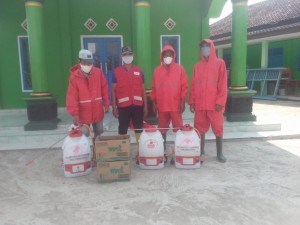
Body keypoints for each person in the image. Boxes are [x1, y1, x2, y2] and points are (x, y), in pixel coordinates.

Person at [188, 39, 227, 163]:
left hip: (214, 105)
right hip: (200, 104)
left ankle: (219, 153)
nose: (204, 49)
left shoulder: (220, 63)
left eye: (207, 46)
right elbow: (194, 85)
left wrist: (220, 102)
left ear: (212, 47)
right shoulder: (197, 66)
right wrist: (192, 102)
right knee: (199, 128)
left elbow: (223, 84)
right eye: (202, 47)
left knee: (218, 128)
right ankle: (201, 151)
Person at [151, 45, 188, 162]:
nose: (168, 57)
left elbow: (184, 87)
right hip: (162, 106)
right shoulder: (157, 71)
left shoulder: (180, 69)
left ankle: (178, 152)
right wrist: (153, 102)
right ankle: (162, 152)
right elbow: (154, 88)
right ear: (162, 56)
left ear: (173, 56)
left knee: (178, 129)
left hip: (175, 106)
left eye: (170, 55)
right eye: (165, 55)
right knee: (162, 129)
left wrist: (182, 102)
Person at [66, 49, 110, 139]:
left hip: (97, 110)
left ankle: (97, 150)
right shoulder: (74, 77)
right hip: (83, 114)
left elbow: (104, 88)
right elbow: (72, 97)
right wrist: (75, 114)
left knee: (99, 132)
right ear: (79, 61)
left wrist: (106, 102)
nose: (87, 65)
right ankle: (86, 149)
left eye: (90, 62)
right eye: (85, 62)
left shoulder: (98, 73)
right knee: (84, 134)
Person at [111, 46, 148, 144]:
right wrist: (114, 107)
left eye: (129, 54)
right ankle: (123, 149)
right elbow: (113, 90)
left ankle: (140, 149)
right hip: (123, 107)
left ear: (133, 55)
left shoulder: (139, 71)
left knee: (139, 128)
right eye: (125, 55)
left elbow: (143, 90)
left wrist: (146, 107)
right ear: (121, 56)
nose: (127, 57)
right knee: (122, 128)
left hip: (137, 106)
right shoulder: (116, 72)